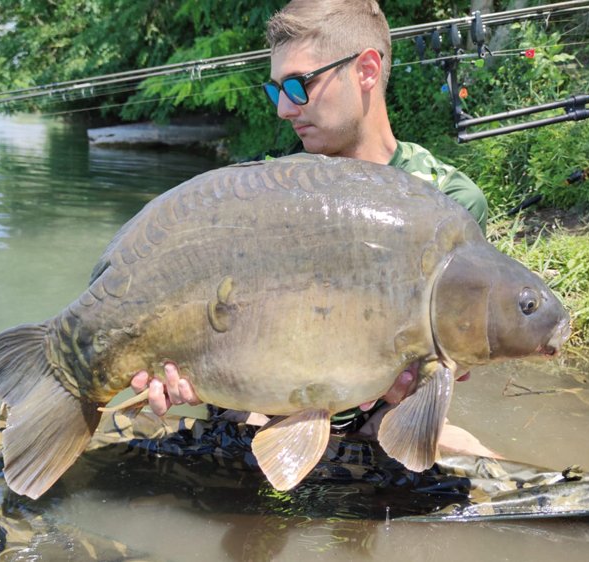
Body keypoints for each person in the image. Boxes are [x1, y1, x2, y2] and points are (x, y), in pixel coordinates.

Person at [130, 0, 493, 454]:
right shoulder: (259, 195)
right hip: (263, 409)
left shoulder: (450, 203)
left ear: (365, 70)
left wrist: (417, 384)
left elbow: (441, 366)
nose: (284, 108)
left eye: (300, 85)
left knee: (470, 454)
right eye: (277, 90)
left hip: (376, 422)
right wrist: (194, 375)